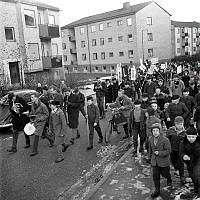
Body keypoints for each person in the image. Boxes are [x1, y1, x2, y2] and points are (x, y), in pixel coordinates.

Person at [149, 123, 172, 198]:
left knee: (165, 174)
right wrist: (149, 158)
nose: (155, 132)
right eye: (153, 131)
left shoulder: (165, 139)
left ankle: (169, 178)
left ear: (160, 131)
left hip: (164, 162)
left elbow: (168, 150)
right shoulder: (150, 139)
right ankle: (157, 190)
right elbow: (150, 150)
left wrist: (159, 153)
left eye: (156, 131)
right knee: (155, 176)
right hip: (155, 162)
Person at [166, 116, 186, 184]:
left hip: (181, 151)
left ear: (183, 124)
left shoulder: (185, 132)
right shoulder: (170, 130)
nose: (179, 126)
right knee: (173, 161)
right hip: (172, 149)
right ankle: (176, 168)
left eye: (181, 124)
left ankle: (182, 176)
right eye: (177, 124)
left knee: (181, 163)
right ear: (175, 124)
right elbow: (167, 139)